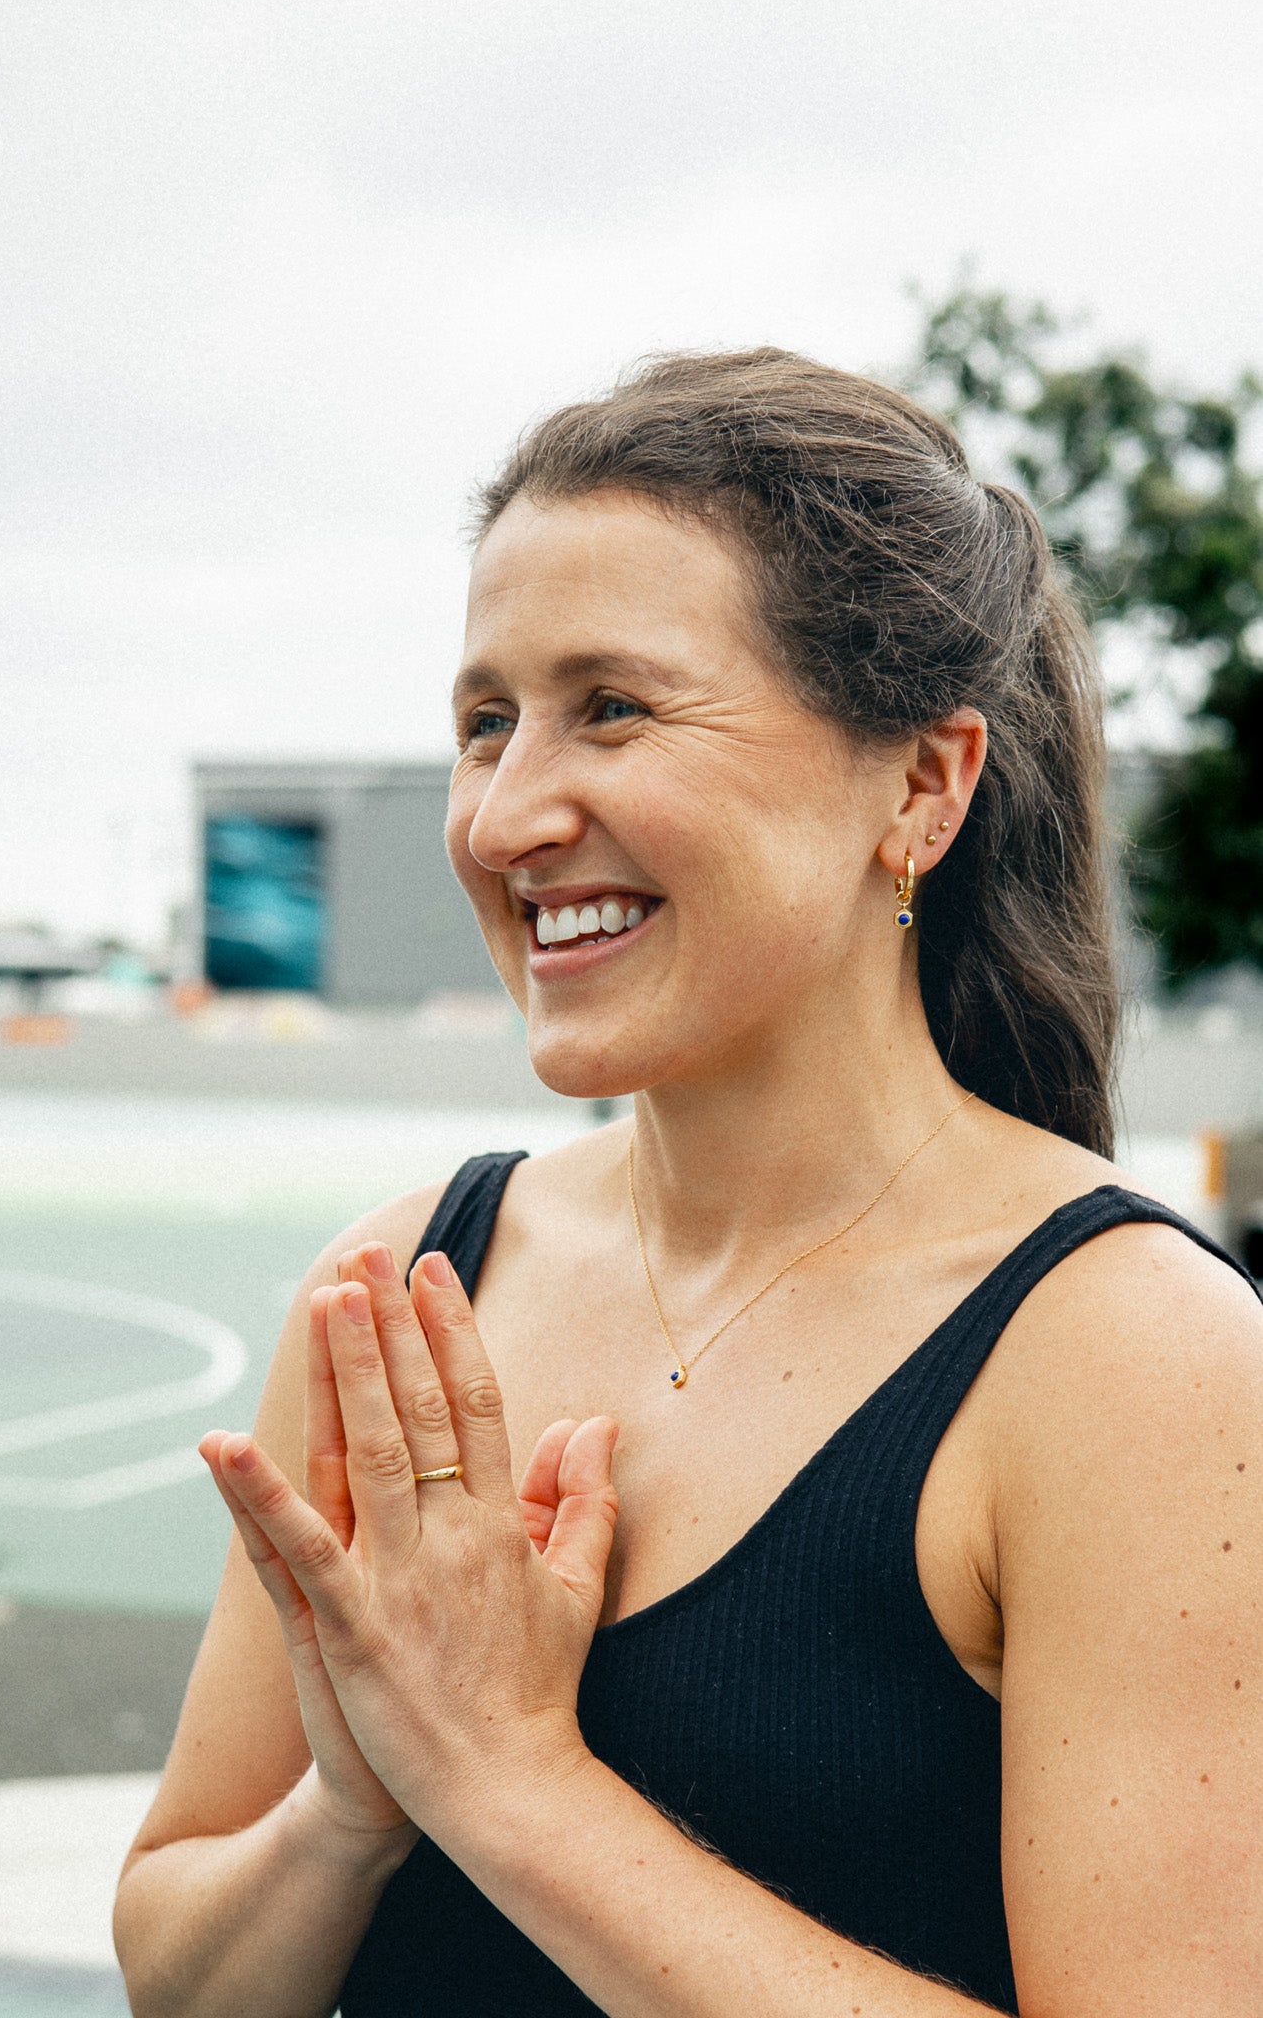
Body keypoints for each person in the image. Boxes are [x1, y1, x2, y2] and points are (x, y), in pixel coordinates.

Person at [113, 352, 1263, 2017]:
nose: (505, 818)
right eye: (482, 724)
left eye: (615, 707)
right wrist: (355, 1806)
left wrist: (511, 1785)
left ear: (921, 788)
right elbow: (183, 1978)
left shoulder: (1136, 1363)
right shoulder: (397, 1297)